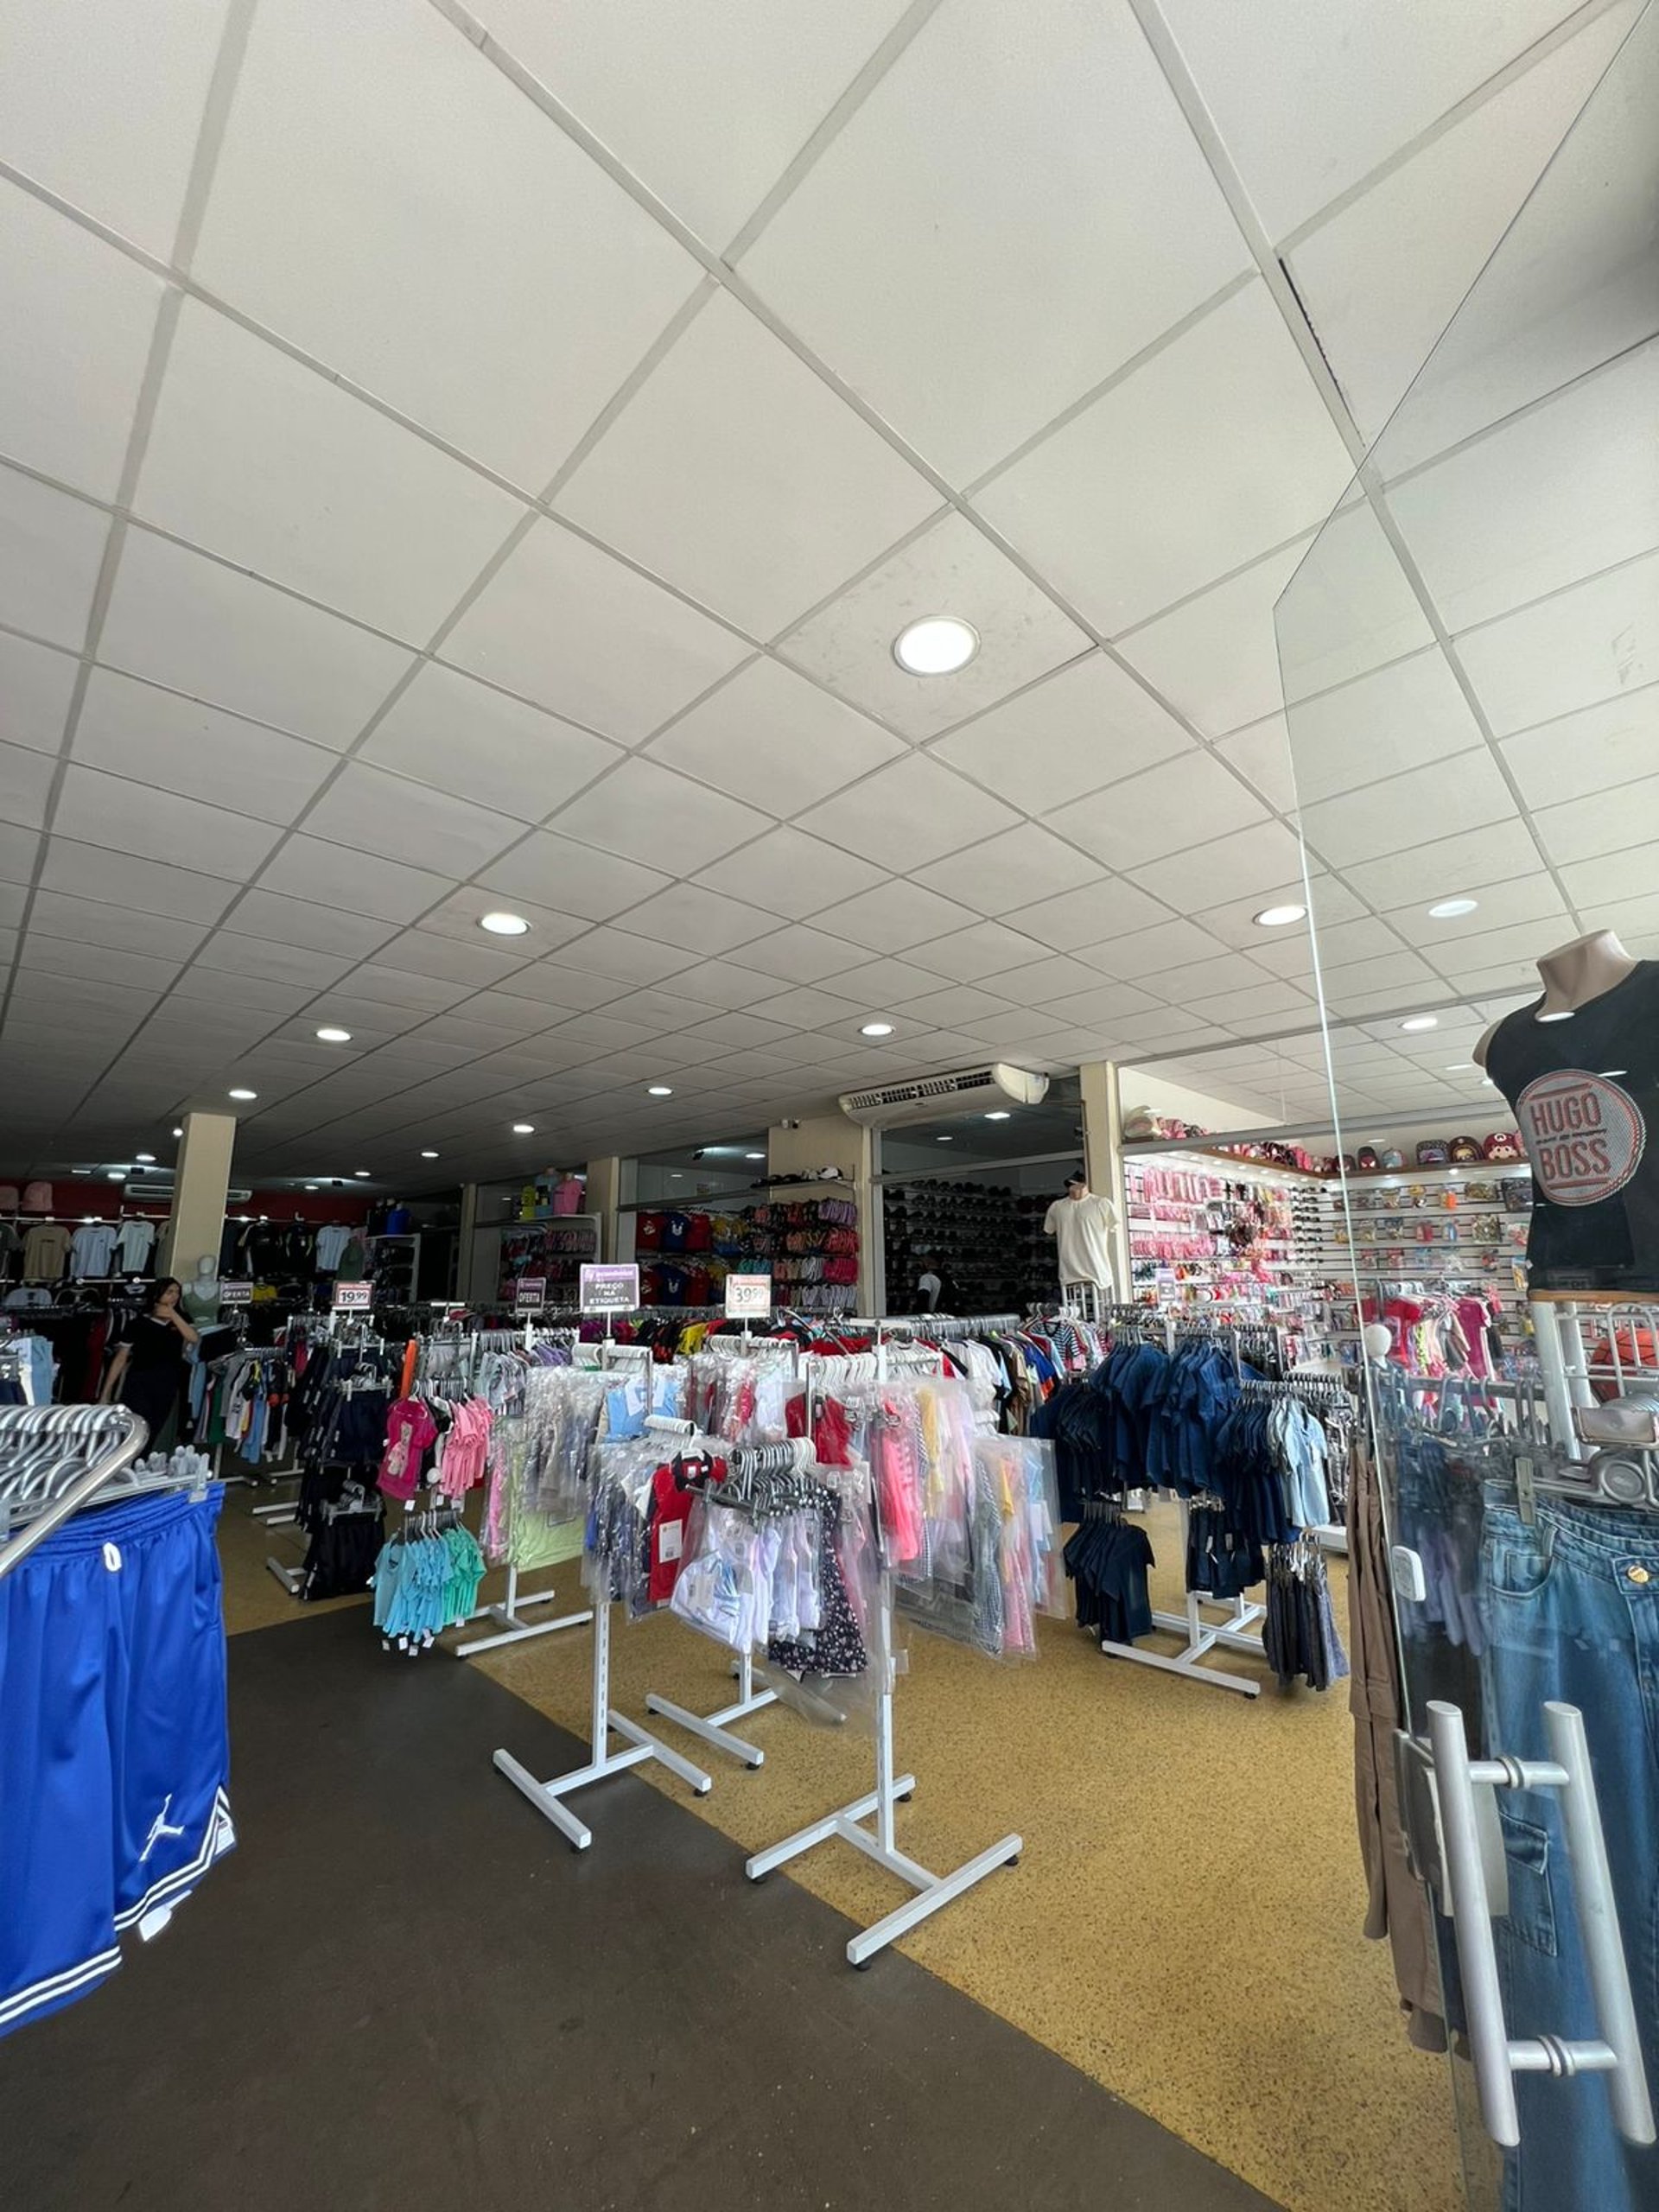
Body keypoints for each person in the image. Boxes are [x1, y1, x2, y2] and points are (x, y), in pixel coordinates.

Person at [99, 1276, 199, 1450]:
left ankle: (143, 1464)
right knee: (136, 1426)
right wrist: (106, 1392)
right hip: (140, 1381)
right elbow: (121, 1358)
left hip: (168, 1382)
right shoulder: (137, 1323)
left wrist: (173, 1315)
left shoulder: (181, 1320)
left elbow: (193, 1338)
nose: (174, 1296)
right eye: (169, 1292)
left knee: (156, 1426)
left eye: (177, 1292)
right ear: (157, 1294)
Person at [1043, 1167, 1117, 1295]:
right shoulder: (1057, 1207)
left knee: (1103, 1312)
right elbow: (1049, 1229)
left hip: (1097, 1272)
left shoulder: (1101, 1204)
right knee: (1072, 1313)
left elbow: (1113, 1225)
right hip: (1068, 1273)